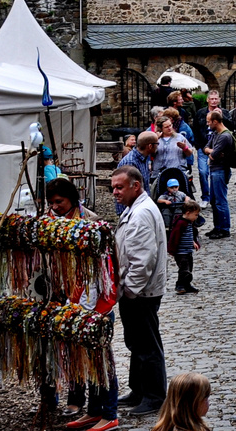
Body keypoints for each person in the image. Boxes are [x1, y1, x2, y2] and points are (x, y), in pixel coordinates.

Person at [42, 178, 119, 430]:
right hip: (72, 298)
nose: (55, 207)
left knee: (101, 359)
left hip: (95, 300)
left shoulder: (91, 222)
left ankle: (110, 414)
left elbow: (106, 268)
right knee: (84, 358)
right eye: (52, 203)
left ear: (72, 199)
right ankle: (95, 411)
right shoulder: (50, 220)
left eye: (59, 202)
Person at [109, 164, 170, 418]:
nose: (115, 192)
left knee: (147, 344)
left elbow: (142, 260)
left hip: (141, 293)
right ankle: (139, 389)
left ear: (136, 186)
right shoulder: (135, 209)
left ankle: (154, 396)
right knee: (136, 342)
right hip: (138, 291)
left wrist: (130, 291)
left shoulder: (141, 213)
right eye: (113, 187)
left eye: (119, 187)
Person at [202, 109, 236, 238]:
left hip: (220, 170)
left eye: (208, 122)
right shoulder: (216, 133)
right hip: (215, 169)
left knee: (220, 201)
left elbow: (213, 155)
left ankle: (224, 228)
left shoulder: (225, 136)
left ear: (215, 121)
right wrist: (211, 151)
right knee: (214, 200)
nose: (207, 124)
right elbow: (206, 148)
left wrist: (211, 152)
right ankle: (217, 227)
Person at [154, 116, 196, 196]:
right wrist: (155, 140)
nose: (170, 128)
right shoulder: (156, 139)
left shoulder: (179, 137)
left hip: (178, 171)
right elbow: (150, 154)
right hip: (160, 174)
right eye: (166, 127)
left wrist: (185, 148)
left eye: (170, 125)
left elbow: (189, 153)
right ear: (160, 128)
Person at [168, 200, 202, 295]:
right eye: (195, 215)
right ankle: (180, 285)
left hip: (188, 251)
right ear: (188, 213)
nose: (196, 217)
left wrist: (193, 242)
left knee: (189, 268)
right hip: (181, 252)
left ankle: (187, 284)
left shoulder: (189, 223)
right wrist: (172, 250)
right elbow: (175, 237)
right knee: (184, 269)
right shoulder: (180, 223)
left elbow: (188, 235)